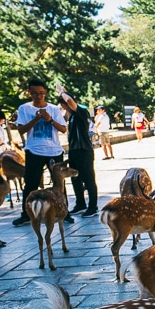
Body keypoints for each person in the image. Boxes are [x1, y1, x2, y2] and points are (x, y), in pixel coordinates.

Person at [12, 79, 71, 227]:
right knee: (31, 183)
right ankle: (26, 214)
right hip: (34, 150)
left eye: (41, 93)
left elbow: (63, 129)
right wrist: (36, 119)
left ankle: (65, 211)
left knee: (59, 182)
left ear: (45, 93)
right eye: (35, 93)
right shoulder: (24, 109)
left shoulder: (53, 109)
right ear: (29, 93)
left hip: (54, 150)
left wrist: (50, 120)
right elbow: (21, 130)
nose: (38, 96)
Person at [57, 88, 98, 217]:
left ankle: (93, 207)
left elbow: (69, 100)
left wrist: (62, 92)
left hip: (84, 150)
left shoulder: (81, 112)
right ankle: (80, 203)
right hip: (74, 151)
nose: (63, 106)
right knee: (75, 178)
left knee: (88, 179)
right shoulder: (72, 117)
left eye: (63, 104)